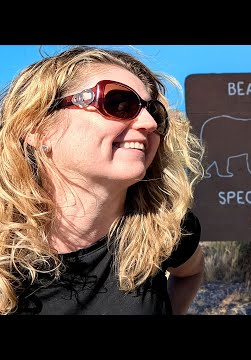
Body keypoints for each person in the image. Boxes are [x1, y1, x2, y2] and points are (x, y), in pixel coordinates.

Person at [0, 45, 205, 315]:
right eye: (119, 103)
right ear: (38, 128)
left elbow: (190, 273)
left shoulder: (165, 227)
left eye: (154, 111)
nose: (149, 123)